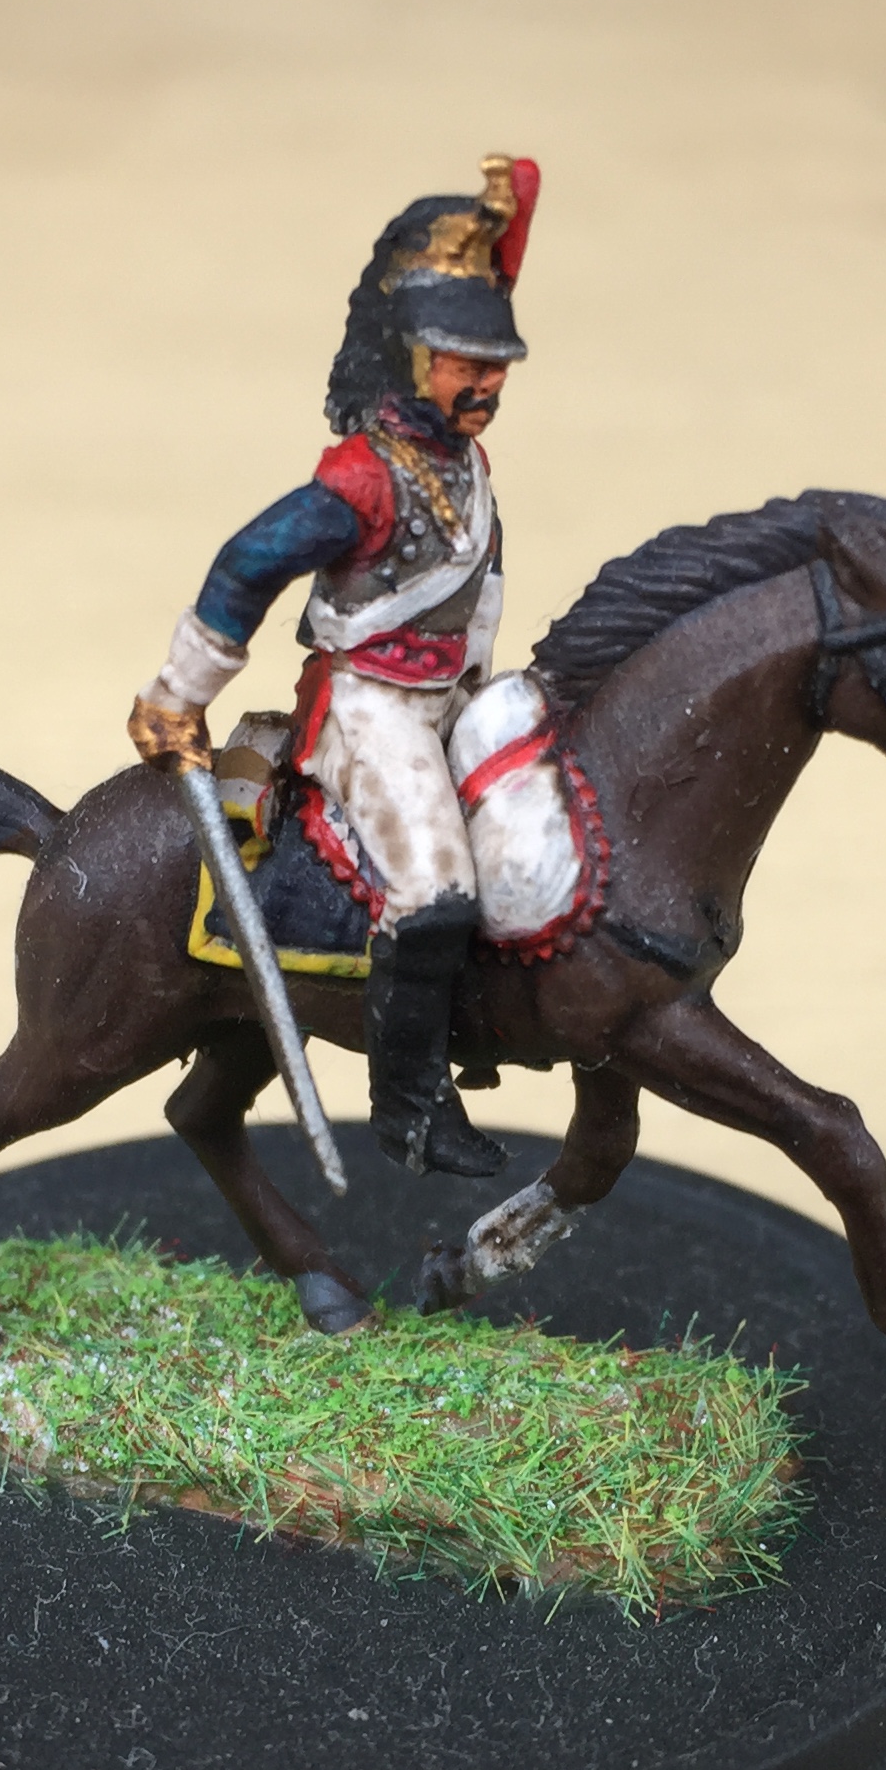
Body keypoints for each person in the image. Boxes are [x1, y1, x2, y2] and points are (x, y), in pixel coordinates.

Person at [127, 155, 540, 1179]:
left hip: (458, 692)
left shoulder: (461, 458)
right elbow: (246, 565)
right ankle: (410, 1108)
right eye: (463, 362)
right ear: (411, 357)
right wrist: (177, 697)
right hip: (373, 706)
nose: (486, 382)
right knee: (436, 892)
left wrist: (504, 213)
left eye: (495, 363)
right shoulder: (359, 480)